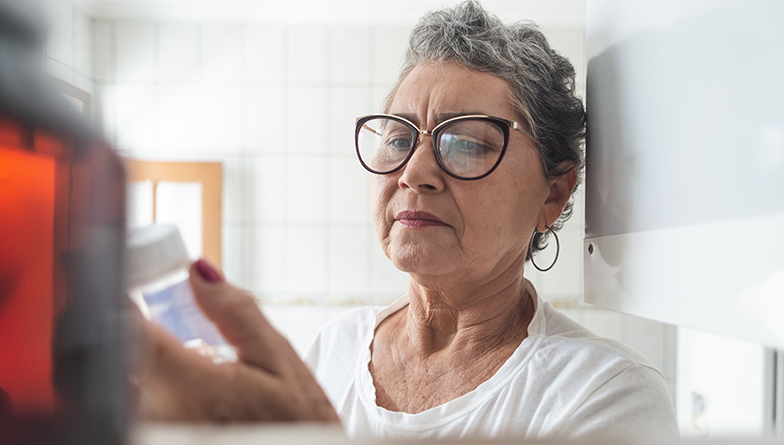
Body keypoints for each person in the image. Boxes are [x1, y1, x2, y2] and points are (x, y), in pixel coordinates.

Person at [137, 1, 678, 440]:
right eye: (398, 138)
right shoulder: (335, 349)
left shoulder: (603, 394)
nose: (414, 172)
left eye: (466, 143)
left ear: (553, 193)